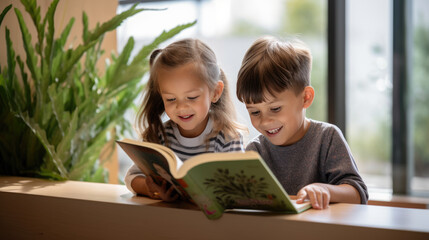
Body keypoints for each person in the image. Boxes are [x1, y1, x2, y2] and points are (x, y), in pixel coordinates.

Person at [236, 36, 368, 209]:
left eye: (275, 109)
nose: (265, 121)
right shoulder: (255, 151)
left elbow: (358, 194)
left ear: (305, 98)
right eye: (254, 112)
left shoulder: (327, 138)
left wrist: (325, 189)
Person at [125, 38, 245, 202]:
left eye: (192, 97)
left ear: (215, 92)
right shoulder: (161, 136)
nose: (181, 107)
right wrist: (152, 189)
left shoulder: (227, 137)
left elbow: (239, 188)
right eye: (171, 99)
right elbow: (132, 177)